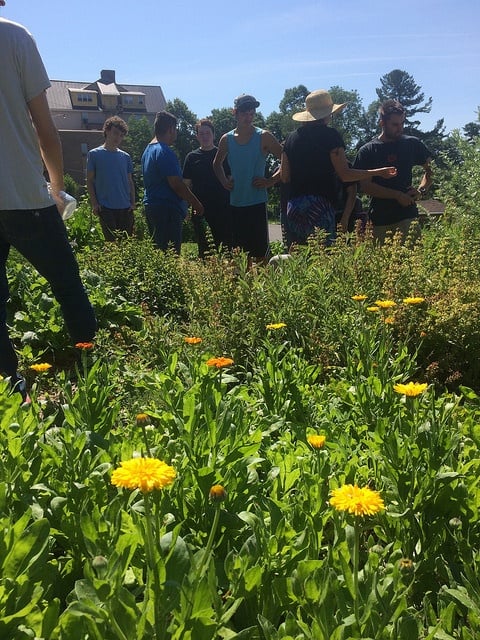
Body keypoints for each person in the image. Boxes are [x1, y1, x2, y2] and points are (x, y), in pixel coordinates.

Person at [0, 2, 96, 403]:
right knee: (67, 284)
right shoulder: (15, 37)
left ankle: (10, 392)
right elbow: (46, 129)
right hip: (24, 193)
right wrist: (56, 187)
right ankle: (91, 373)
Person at [281, 89, 397, 248]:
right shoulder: (330, 135)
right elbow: (345, 174)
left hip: (294, 206)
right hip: (319, 207)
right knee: (323, 258)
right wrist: (378, 172)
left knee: (300, 258)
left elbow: (285, 176)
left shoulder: (291, 138)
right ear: (326, 114)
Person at [213, 94, 282, 263]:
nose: (248, 117)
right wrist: (224, 181)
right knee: (240, 255)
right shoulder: (226, 139)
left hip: (257, 202)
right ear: (235, 113)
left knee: (260, 254)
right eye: (244, 113)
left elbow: (287, 159)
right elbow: (216, 164)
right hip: (236, 203)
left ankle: (262, 287)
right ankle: (245, 288)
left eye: (252, 113)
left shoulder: (264, 136)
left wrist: (271, 180)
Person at [354, 99, 433, 244]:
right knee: (382, 265)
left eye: (402, 123)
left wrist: (421, 190)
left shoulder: (411, 144)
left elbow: (430, 170)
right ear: (382, 123)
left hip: (407, 216)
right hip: (380, 219)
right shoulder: (368, 151)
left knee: (412, 263)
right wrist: (397, 195)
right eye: (395, 124)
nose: (400, 128)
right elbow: (366, 186)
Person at [141, 111, 204, 254]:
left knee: (159, 252)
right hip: (166, 210)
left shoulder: (148, 150)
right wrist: (196, 203)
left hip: (152, 207)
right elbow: (176, 184)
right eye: (175, 129)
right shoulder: (164, 151)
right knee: (170, 254)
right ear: (170, 129)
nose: (176, 133)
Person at [183, 119, 231, 258]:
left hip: (223, 209)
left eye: (207, 133)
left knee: (225, 248)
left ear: (214, 135)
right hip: (200, 210)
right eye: (201, 133)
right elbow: (186, 185)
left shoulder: (222, 155)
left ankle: (227, 277)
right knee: (205, 250)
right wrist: (185, 208)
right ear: (197, 136)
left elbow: (231, 179)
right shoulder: (191, 158)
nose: (205, 136)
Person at [86, 116, 135, 241]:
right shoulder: (94, 154)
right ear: (107, 131)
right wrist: (94, 203)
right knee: (111, 243)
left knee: (126, 243)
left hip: (125, 207)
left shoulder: (125, 157)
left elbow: (130, 181)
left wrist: (133, 202)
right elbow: (90, 181)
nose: (118, 138)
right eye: (115, 133)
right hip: (106, 207)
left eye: (121, 135)